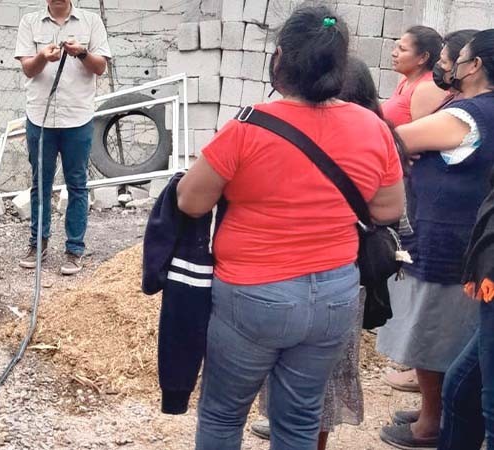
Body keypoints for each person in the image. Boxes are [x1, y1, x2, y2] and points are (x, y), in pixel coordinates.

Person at [177, 6, 405, 449]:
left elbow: (190, 201)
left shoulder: (248, 126)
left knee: (224, 414)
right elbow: (388, 208)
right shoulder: (373, 128)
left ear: (280, 57)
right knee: (300, 420)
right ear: (341, 64)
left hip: (253, 294)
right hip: (335, 295)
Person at [249, 57, 391, 450]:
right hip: (333, 280)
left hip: (322, 279)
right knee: (309, 372)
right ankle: (295, 428)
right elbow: (394, 214)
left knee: (316, 377)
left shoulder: (364, 140)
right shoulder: (376, 137)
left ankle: (306, 435)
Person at [376, 30, 494, 450]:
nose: (449, 66)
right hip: (468, 241)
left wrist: (396, 144)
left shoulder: (470, 114)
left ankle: (431, 424)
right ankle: (439, 412)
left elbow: (393, 139)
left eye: (455, 58)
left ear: (475, 65)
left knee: (432, 337)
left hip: (448, 241)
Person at [14, 0, 112, 275]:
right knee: (40, 184)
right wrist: (43, 57)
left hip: (77, 116)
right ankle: (38, 244)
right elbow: (28, 69)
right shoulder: (29, 22)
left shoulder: (91, 22)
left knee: (77, 184)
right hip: (40, 117)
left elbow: (100, 67)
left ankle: (74, 250)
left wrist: (81, 53)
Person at [382, 26, 448, 127]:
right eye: (396, 47)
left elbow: (423, 137)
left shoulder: (428, 88)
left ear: (423, 57)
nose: (394, 53)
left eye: (402, 49)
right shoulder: (406, 80)